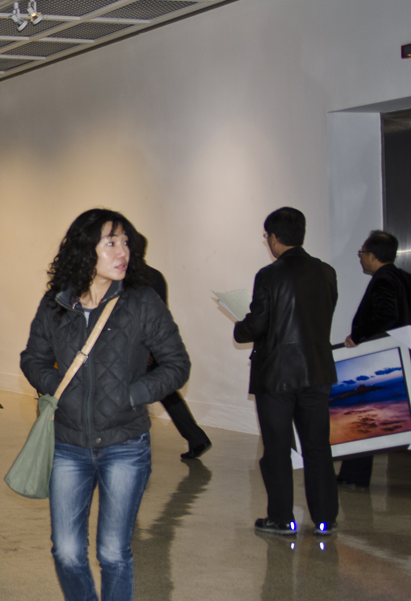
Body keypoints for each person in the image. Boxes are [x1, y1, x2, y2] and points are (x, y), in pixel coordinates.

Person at [20, 208, 190, 601]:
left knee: (114, 551)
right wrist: (55, 388)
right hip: (69, 444)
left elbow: (176, 364)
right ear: (84, 251)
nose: (123, 252)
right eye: (111, 243)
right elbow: (32, 358)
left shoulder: (142, 302)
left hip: (124, 444)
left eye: (125, 243)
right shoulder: (56, 303)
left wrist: (132, 394)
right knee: (67, 549)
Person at [234, 207, 339, 536]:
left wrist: (240, 327)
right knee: (317, 447)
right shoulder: (327, 272)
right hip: (317, 371)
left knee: (277, 449)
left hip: (277, 375)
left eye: (267, 236)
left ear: (275, 238)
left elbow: (257, 324)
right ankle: (325, 519)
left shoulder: (269, 275)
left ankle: (282, 519)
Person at [338, 230, 411, 487]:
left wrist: (358, 335)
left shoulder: (383, 280)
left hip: (386, 360)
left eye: (361, 253)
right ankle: (353, 475)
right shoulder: (404, 278)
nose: (360, 258)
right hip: (404, 358)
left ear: (372, 255)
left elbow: (386, 315)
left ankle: (354, 477)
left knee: (364, 418)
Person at [136, 234, 213, 460]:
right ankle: (197, 438)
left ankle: (134, 448)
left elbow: (137, 318)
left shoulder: (129, 279)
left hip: (140, 348)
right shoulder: (156, 275)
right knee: (167, 392)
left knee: (134, 397)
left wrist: (144, 348)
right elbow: (161, 314)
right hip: (158, 344)